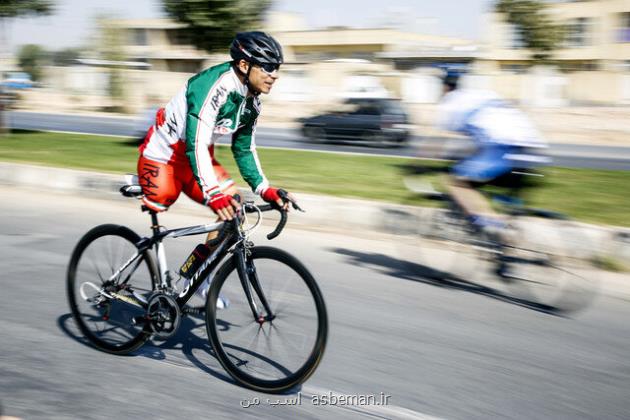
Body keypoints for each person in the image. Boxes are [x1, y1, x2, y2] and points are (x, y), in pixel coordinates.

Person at [137, 31, 294, 298]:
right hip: (163, 157)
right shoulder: (214, 85)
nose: (274, 74)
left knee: (234, 208)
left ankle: (198, 278)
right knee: (166, 198)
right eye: (267, 67)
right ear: (244, 65)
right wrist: (213, 194)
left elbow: (243, 148)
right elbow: (195, 143)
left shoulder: (252, 102)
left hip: (195, 159)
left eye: (277, 68)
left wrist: (265, 189)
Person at [436, 70, 549, 236]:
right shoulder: (482, 95)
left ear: (446, 88)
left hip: (503, 148)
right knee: (493, 185)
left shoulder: (452, 102)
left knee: (456, 182)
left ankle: (493, 224)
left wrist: (416, 164)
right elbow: (483, 132)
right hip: (532, 147)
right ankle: (503, 238)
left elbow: (438, 142)